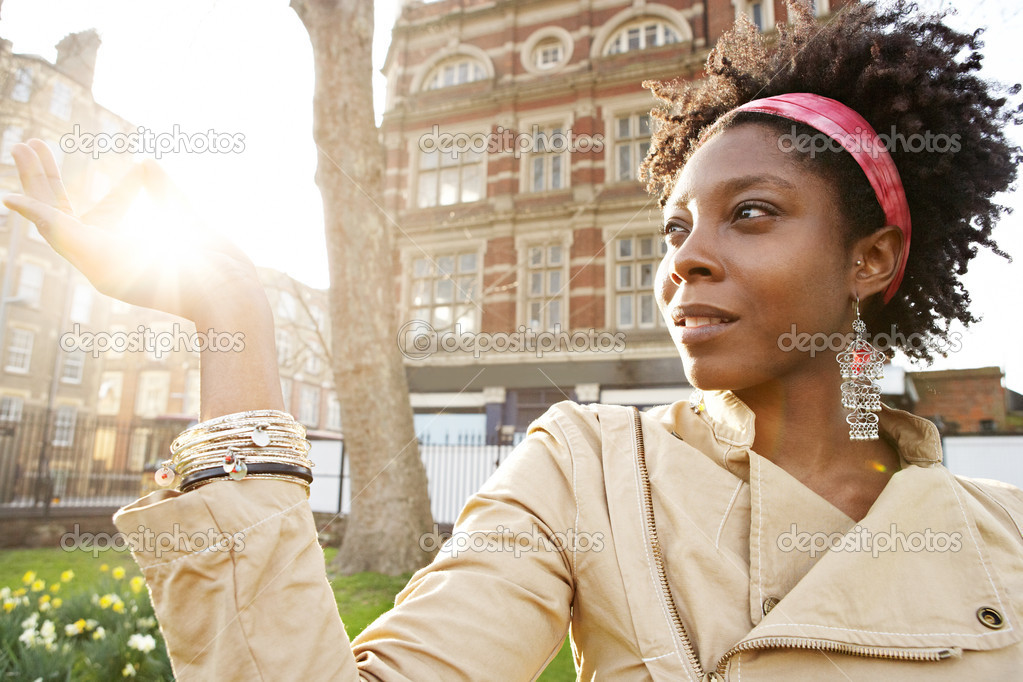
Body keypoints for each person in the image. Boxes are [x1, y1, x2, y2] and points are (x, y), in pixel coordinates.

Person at [5, 1, 1023, 679]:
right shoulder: (585, 470)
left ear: (870, 259)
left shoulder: (1003, 536)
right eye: (674, 227)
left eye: (749, 213)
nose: (685, 259)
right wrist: (233, 314)